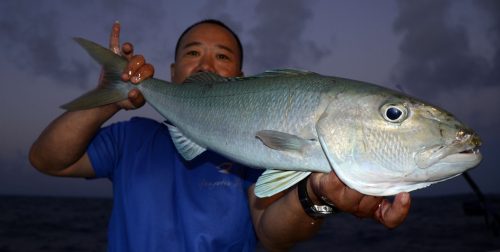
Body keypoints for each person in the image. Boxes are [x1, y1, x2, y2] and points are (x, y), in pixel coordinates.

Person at [30, 20, 411, 251]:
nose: (207, 64)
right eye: (193, 53)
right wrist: (111, 97)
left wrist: (316, 195)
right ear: (173, 69)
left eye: (223, 57)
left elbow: (274, 237)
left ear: (242, 79)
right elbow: (47, 160)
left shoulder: (256, 156)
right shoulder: (132, 138)